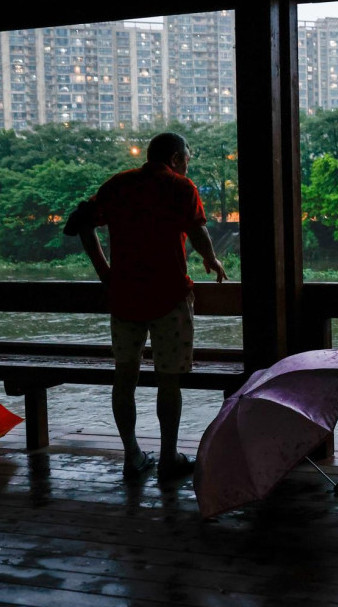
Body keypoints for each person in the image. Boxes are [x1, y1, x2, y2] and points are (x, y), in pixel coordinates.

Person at [63, 132, 228, 483]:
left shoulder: (118, 185)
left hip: (124, 298)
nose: (188, 164)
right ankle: (169, 457)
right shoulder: (181, 188)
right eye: (187, 157)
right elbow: (197, 232)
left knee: (124, 379)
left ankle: (132, 455)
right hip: (170, 297)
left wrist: (105, 273)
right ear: (174, 158)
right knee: (169, 382)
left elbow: (81, 226)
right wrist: (211, 261)